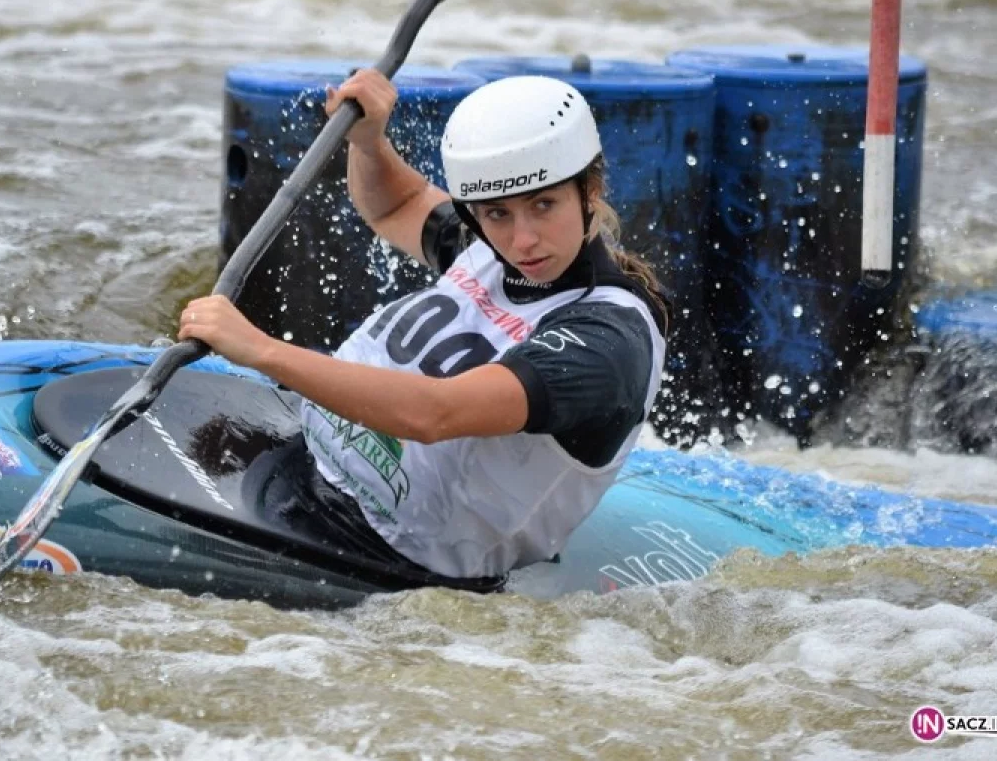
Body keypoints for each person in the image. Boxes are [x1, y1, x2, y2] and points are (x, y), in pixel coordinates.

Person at [179, 69, 668, 582]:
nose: (523, 239)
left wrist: (260, 349)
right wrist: (368, 143)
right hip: (305, 475)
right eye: (496, 213)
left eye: (543, 205)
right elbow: (397, 205)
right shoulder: (496, 251)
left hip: (390, 566)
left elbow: (435, 414)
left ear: (589, 190)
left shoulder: (605, 341)